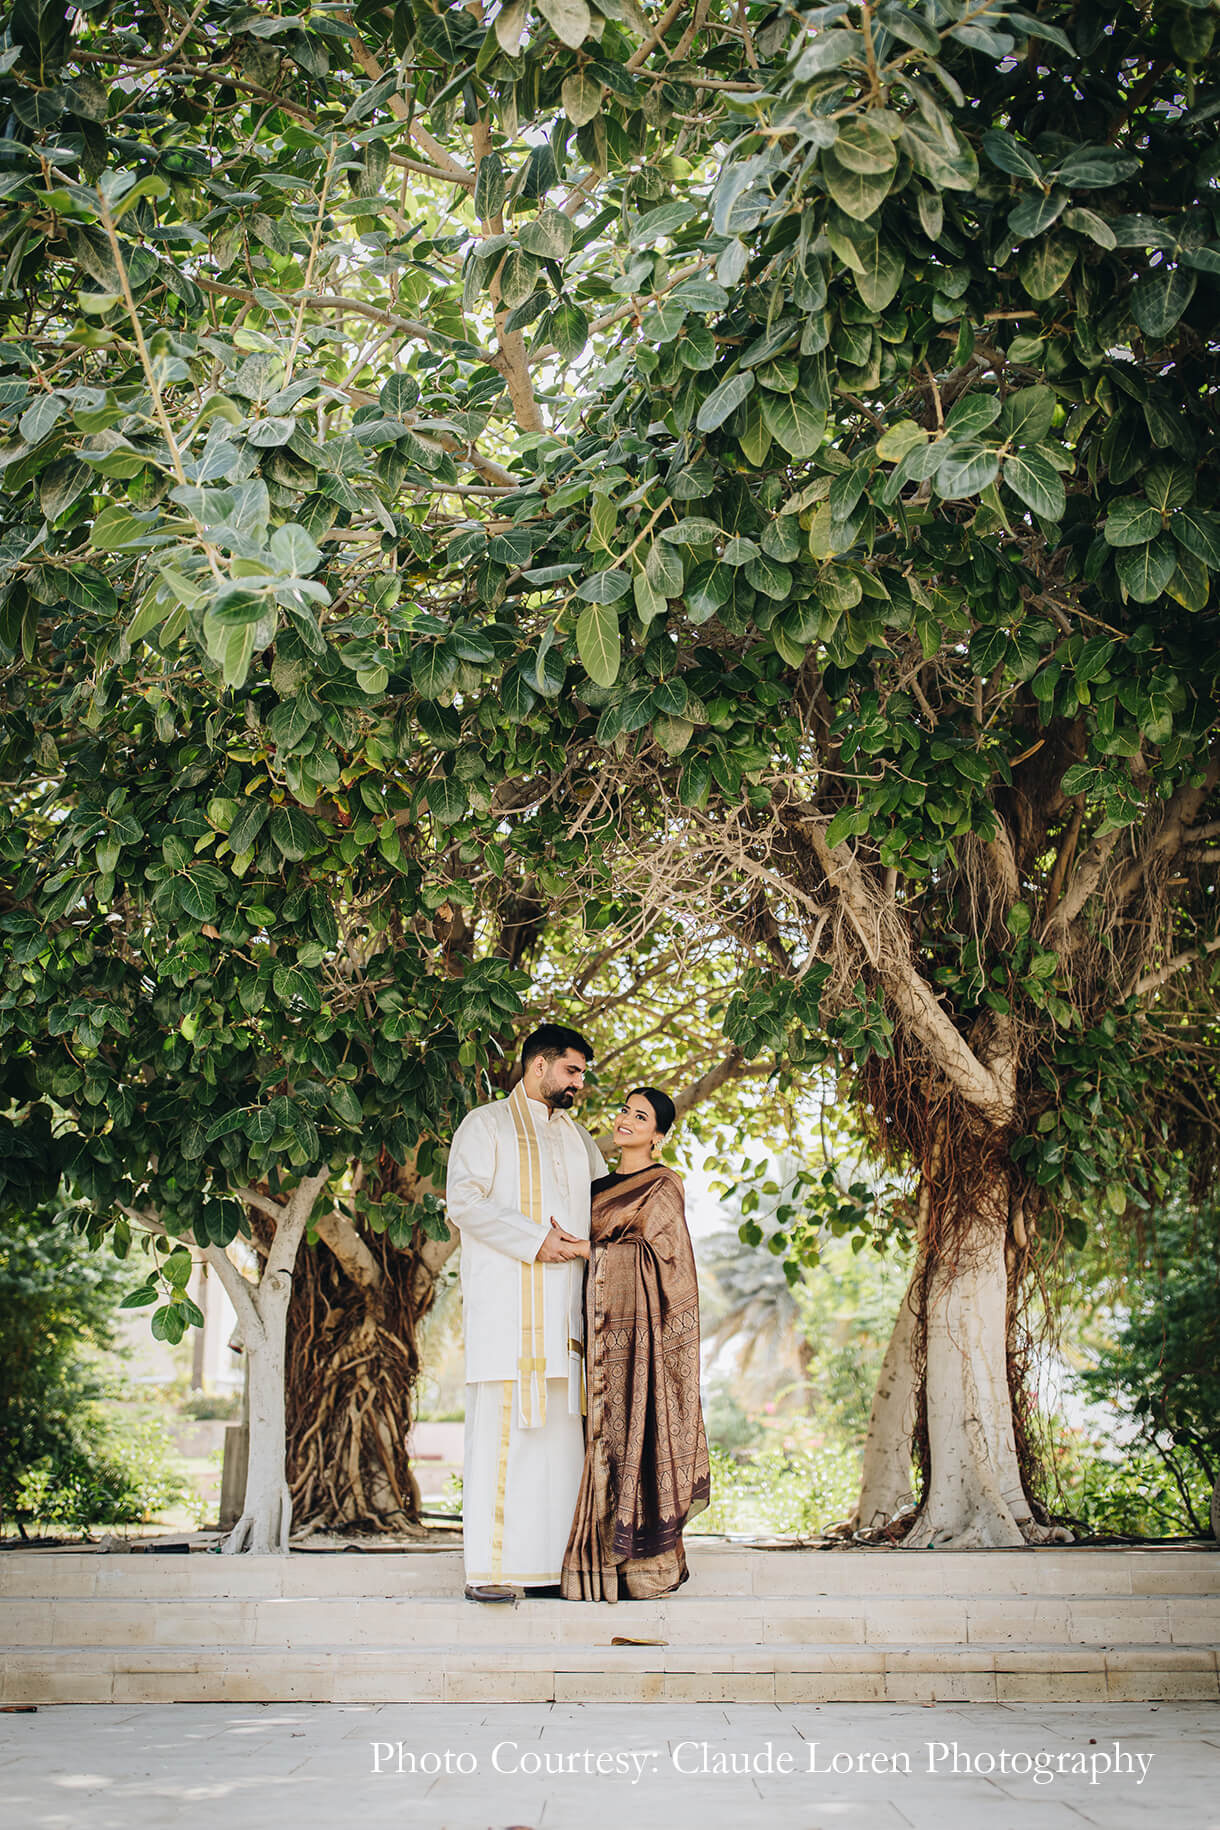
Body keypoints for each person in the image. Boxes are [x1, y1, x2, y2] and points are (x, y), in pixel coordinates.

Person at [445, 1022, 604, 1600]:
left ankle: (554, 1572)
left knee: (560, 1456)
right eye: (572, 1070)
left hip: (566, 1324)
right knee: (501, 1448)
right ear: (539, 1064)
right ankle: (492, 1574)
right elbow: (463, 1202)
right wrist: (537, 1239)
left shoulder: (578, 1139)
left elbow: (605, 1208)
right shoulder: (485, 1124)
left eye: (582, 1073)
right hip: (507, 1323)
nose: (579, 1082)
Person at [561, 1087, 710, 1602]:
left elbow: (667, 1261)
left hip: (645, 1340)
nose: (625, 1119)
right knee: (603, 1437)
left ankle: (646, 1570)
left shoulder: (663, 1186)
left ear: (658, 1134)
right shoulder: (596, 1188)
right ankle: (605, 1564)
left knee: (642, 1434)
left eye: (640, 1116)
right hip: (600, 1335)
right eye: (625, 1110)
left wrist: (590, 1251)